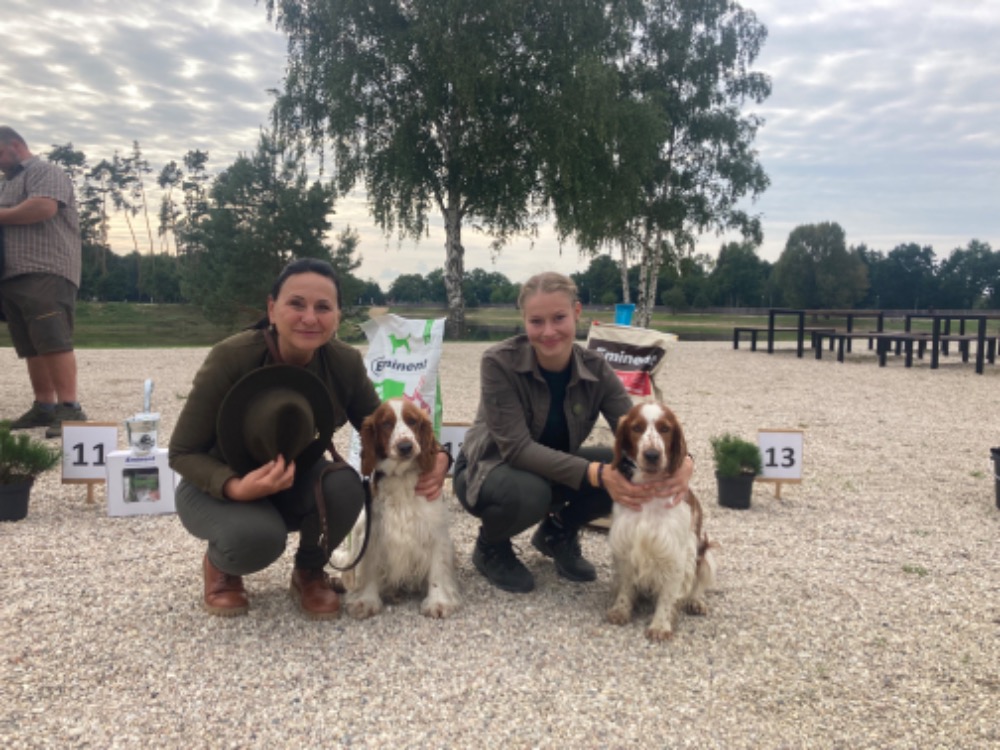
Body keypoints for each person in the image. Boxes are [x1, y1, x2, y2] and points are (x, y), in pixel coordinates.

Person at [169, 258, 450, 619]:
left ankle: (309, 571)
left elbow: (384, 424)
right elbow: (182, 452)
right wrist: (235, 486)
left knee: (346, 485)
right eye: (296, 304)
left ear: (337, 316)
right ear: (272, 309)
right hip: (218, 485)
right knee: (258, 538)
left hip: (294, 480)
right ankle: (222, 567)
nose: (310, 318)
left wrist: (440, 457)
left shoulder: (344, 363)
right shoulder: (231, 357)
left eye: (323, 307)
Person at [453, 272, 693, 594]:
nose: (548, 331)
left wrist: (684, 461)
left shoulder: (595, 367)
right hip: (488, 469)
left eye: (559, 318)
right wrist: (597, 474)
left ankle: (557, 532)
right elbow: (517, 449)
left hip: (553, 467)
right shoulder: (498, 362)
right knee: (534, 491)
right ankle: (490, 546)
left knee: (624, 465)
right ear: (524, 321)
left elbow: (632, 428)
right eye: (536, 321)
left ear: (577, 312)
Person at [0, 126, 86, 438]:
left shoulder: (45, 171)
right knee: (31, 345)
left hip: (46, 269)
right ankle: (44, 405)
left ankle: (70, 407)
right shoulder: (5, 184)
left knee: (52, 338)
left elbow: (43, 207)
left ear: (15, 145)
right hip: (11, 274)